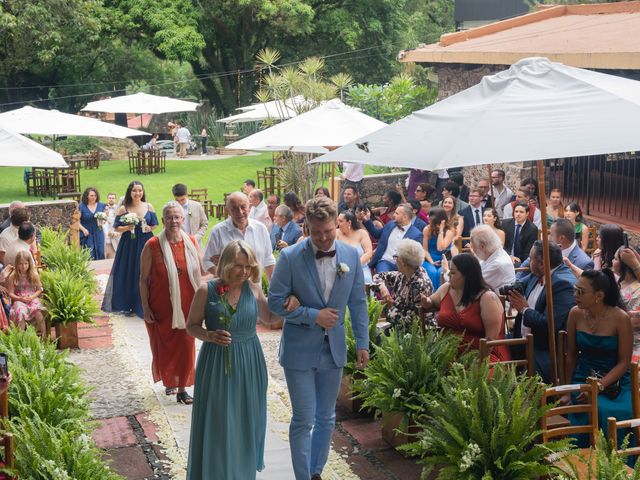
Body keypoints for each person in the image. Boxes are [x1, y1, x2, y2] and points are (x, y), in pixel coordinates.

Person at [268, 197, 370, 480]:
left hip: (334, 350)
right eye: (317, 232)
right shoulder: (290, 257)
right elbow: (274, 302)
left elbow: (358, 302)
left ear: (337, 223)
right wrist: (313, 315)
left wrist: (363, 342)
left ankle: (315, 472)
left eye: (328, 231)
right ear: (306, 228)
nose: (324, 238)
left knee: (326, 418)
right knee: (303, 418)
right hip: (299, 351)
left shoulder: (350, 256)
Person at [186, 240, 284, 479]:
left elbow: (269, 318)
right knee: (218, 421)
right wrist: (209, 335)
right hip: (216, 361)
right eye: (238, 266)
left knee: (246, 420)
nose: (244, 272)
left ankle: (242, 473)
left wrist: (289, 304)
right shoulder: (205, 290)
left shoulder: (253, 288)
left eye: (248, 266)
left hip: (250, 362)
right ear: (227, 263)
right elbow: (191, 326)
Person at [140, 202, 202, 404]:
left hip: (188, 304)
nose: (173, 221)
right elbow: (143, 279)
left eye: (177, 217)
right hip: (162, 306)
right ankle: (170, 380)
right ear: (163, 219)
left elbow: (201, 271)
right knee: (166, 344)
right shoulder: (152, 245)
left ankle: (183, 388)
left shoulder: (192, 241)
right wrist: (146, 307)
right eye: (169, 217)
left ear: (183, 219)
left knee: (186, 343)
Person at [563, 269, 632, 444]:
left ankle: (616, 462)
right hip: (583, 375)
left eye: (581, 292)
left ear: (599, 295)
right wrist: (566, 389)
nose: (575, 295)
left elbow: (624, 362)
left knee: (611, 411)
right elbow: (570, 355)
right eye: (574, 289)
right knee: (582, 406)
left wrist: (599, 386)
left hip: (615, 381)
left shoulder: (620, 318)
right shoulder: (575, 314)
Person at [420, 253, 510, 362]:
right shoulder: (446, 289)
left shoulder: (487, 298)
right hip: (448, 354)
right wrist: (427, 302)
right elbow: (432, 301)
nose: (448, 276)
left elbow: (490, 340)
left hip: (482, 356)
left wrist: (474, 364)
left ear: (467, 275)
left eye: (452, 272)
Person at [508, 241, 577, 383]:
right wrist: (512, 290)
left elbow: (550, 325)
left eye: (531, 258)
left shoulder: (562, 284)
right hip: (521, 343)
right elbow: (521, 283)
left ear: (542, 263)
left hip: (543, 352)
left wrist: (524, 309)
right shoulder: (537, 274)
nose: (528, 262)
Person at [102, 181, 158, 317]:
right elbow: (116, 227)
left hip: (146, 242)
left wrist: (151, 228)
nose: (137, 193)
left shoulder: (149, 206)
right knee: (130, 270)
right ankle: (128, 303)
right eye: (134, 190)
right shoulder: (123, 208)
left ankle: (146, 303)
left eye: (140, 190)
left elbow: (155, 224)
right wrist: (128, 228)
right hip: (129, 244)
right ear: (130, 192)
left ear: (143, 192)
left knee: (146, 270)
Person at [203, 192, 276, 280]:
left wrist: (273, 288)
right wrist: (223, 275)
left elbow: (268, 259)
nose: (240, 212)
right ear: (228, 210)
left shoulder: (261, 229)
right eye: (234, 208)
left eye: (243, 207)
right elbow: (206, 261)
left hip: (255, 289)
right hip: (229, 290)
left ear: (249, 206)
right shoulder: (217, 231)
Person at [373, 239, 433, 330]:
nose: (395, 260)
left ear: (403, 262)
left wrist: (390, 308)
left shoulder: (420, 284)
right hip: (398, 328)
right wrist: (382, 287)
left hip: (416, 336)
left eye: (396, 257)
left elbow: (413, 322)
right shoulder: (403, 275)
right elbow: (378, 276)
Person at [519, 218, 594, 280]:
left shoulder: (584, 262)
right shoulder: (547, 248)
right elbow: (523, 271)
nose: (548, 238)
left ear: (561, 238)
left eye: (551, 235)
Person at [362, 204, 423, 273]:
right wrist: (367, 220)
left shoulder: (416, 234)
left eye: (397, 213)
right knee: (383, 276)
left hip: (403, 266)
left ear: (405, 217)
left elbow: (414, 257)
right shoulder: (390, 224)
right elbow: (377, 235)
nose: (393, 215)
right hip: (385, 261)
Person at [7, 251, 45, 337]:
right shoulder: (13, 276)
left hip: (32, 298)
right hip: (19, 299)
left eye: (26, 264)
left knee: (38, 311)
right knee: (21, 312)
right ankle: (21, 339)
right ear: (17, 264)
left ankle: (44, 338)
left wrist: (32, 297)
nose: (23, 266)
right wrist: (20, 298)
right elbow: (10, 293)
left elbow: (39, 290)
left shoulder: (34, 274)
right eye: (21, 264)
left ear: (29, 264)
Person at [613, 247, 640, 363]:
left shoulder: (637, 290)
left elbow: (634, 322)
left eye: (615, 259)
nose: (612, 262)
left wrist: (635, 265)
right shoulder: (620, 282)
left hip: (632, 346)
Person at [470, 225, 515, 292]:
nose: (474, 253)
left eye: (475, 250)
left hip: (499, 300)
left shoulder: (498, 263)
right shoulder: (491, 252)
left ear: (482, 246)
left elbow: (472, 284)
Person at [422, 207, 455, 290]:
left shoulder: (449, 231)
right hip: (430, 259)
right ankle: (432, 296)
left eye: (430, 217)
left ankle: (440, 296)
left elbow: (440, 248)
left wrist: (441, 231)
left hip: (444, 260)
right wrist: (431, 262)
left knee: (440, 272)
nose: (427, 218)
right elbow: (425, 249)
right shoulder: (427, 229)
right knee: (432, 272)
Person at [336, 210, 373, 284]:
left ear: (349, 222)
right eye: (337, 221)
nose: (338, 223)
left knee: (366, 280)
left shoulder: (362, 233)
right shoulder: (336, 233)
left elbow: (368, 253)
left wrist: (356, 265)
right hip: (342, 270)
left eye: (341, 221)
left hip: (361, 268)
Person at [78, 187, 106, 260]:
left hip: (98, 231)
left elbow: (105, 219)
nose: (94, 197)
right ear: (87, 196)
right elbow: (76, 222)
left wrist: (102, 220)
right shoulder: (81, 206)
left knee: (101, 252)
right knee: (90, 254)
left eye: (95, 195)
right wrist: (83, 230)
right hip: (87, 233)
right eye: (92, 196)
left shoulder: (102, 205)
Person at [104, 192, 120, 259]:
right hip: (105, 235)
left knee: (115, 256)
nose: (111, 199)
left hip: (115, 235)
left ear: (115, 199)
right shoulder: (103, 208)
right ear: (107, 199)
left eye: (113, 198)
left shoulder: (118, 209)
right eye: (110, 198)